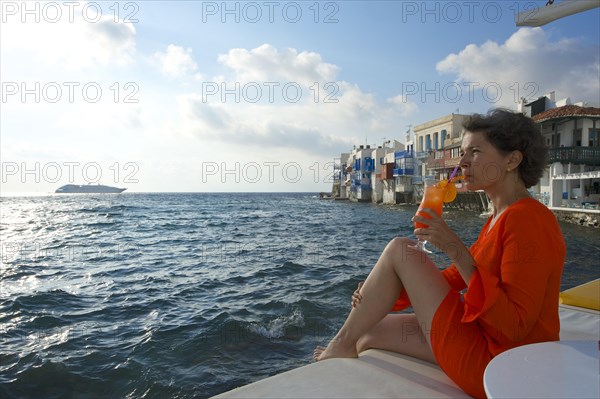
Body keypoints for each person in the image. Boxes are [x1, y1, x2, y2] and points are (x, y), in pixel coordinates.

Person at [312, 109, 566, 398]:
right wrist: (380, 292)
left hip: (504, 366)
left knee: (400, 248)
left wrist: (453, 246)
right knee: (369, 331)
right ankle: (347, 342)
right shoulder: (498, 217)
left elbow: (515, 327)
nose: (462, 162)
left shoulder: (528, 219)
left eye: (475, 152)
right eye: (462, 151)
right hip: (484, 340)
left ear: (512, 160)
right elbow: (454, 276)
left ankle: (338, 345)